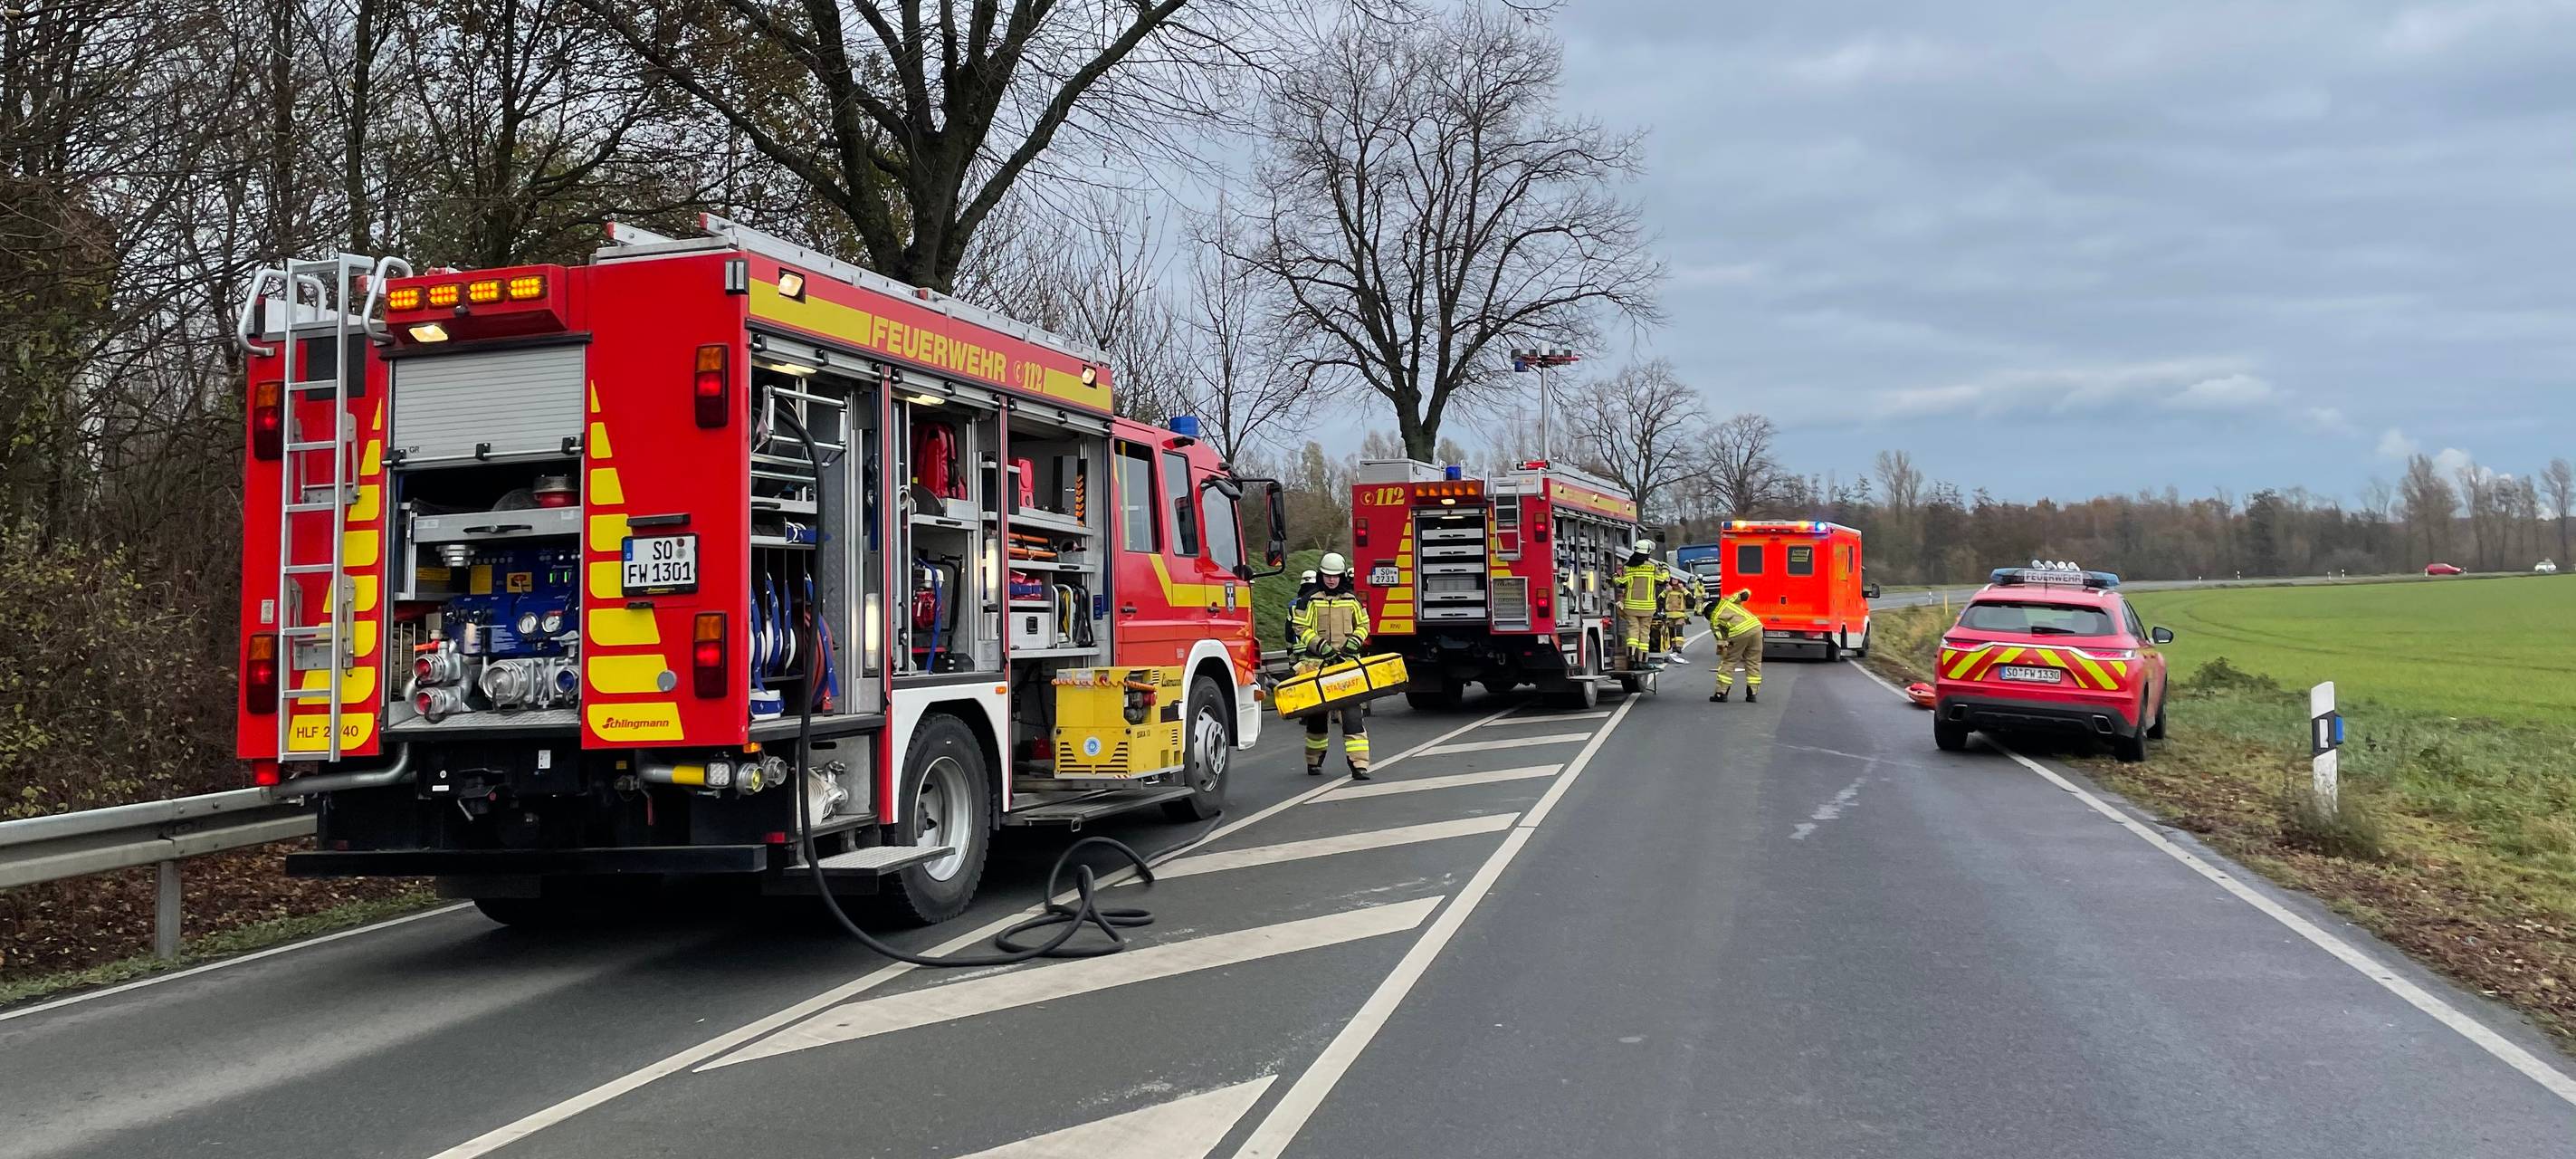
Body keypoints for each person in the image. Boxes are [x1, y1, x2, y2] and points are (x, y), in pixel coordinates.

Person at [1297, 552, 1372, 780]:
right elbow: (1301, 627)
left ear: (1342, 577)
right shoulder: (1309, 600)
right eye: (1328, 576)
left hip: (1347, 667)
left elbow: (1364, 624)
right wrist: (1321, 647)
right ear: (1322, 575)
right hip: (1318, 666)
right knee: (1317, 718)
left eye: (1336, 576)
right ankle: (1313, 760)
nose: (1331, 580)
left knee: (1352, 717)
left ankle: (1359, 766)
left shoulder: (1352, 600)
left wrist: (1354, 642)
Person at [1705, 586, 1764, 703]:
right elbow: (1745, 593)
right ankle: (1752, 694)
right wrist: (1743, 594)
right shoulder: (1727, 601)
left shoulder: (1714, 621)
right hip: (1757, 628)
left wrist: (1724, 652)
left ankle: (1721, 693)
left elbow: (1721, 641)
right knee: (1754, 661)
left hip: (1739, 632)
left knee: (1729, 662)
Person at [1616, 539, 1662, 668]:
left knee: (1632, 631)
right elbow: (1663, 579)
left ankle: (1631, 657)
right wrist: (1665, 569)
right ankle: (1642, 660)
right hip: (1648, 607)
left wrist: (1614, 576)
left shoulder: (1628, 567)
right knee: (1644, 633)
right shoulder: (1652, 567)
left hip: (1631, 607)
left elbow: (1621, 582)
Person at [1657, 564, 1693, 665]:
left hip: (1680, 614)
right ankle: (1673, 647)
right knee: (1672, 632)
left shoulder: (1682, 590)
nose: (1674, 581)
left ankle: (1679, 647)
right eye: (1673, 580)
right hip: (1669, 615)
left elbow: (1691, 599)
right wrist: (1665, 591)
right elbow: (1660, 599)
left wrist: (1684, 590)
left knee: (1679, 630)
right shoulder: (1668, 589)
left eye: (1676, 580)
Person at [1283, 568, 1319, 652]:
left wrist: (1289, 649)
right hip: (1317, 649)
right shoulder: (1321, 602)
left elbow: (1289, 630)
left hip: (1299, 650)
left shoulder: (1293, 604)